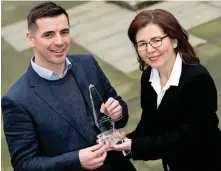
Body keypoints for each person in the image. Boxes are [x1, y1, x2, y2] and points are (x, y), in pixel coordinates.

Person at [1, 2, 137, 171]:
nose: (60, 42)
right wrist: (76, 160)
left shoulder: (88, 64)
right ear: (31, 39)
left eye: (64, 32)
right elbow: (24, 165)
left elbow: (119, 109)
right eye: (49, 35)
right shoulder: (17, 100)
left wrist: (117, 113)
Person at [110, 9, 221, 171]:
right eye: (142, 44)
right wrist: (123, 143)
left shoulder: (197, 78)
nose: (149, 49)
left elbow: (190, 136)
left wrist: (135, 145)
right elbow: (150, 123)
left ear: (175, 41)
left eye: (156, 40)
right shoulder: (148, 77)